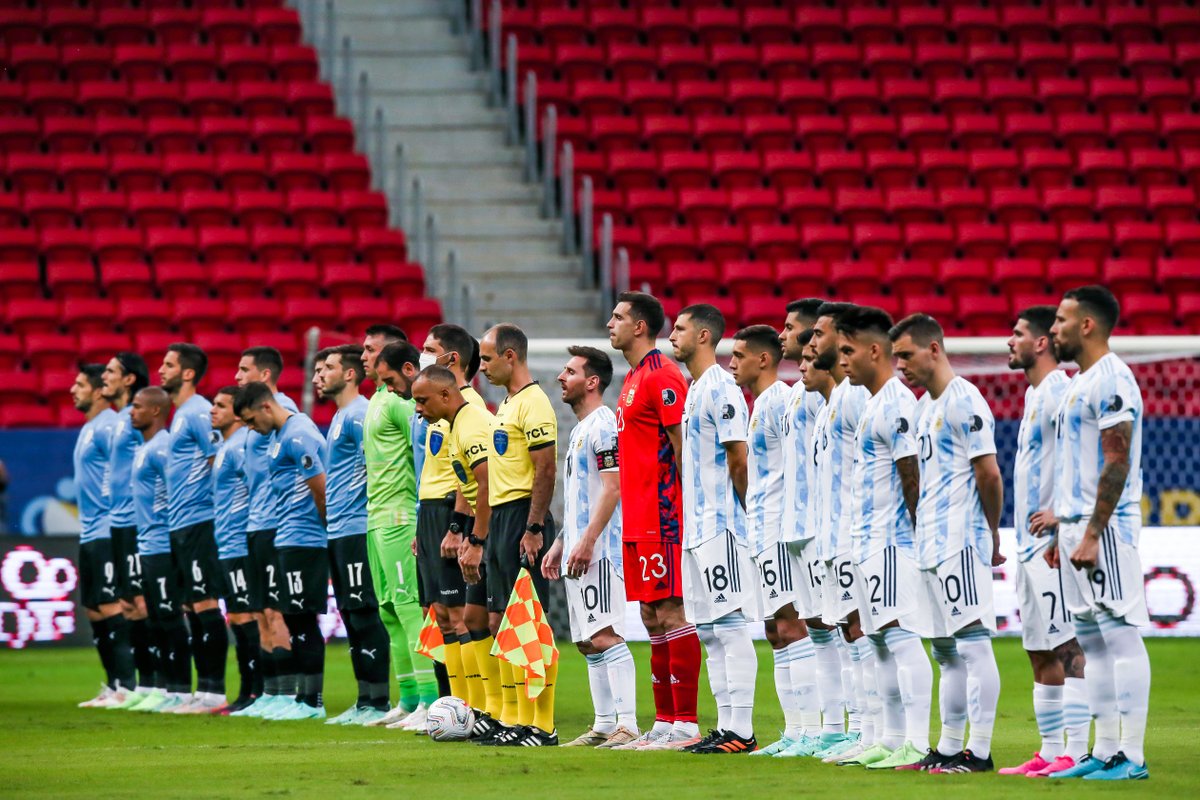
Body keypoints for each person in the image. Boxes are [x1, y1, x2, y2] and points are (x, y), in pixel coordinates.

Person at [891, 314, 1005, 774]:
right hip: (930, 546)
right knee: (945, 652)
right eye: (896, 356)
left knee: (973, 646)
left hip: (960, 541)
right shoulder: (924, 408)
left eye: (907, 354)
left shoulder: (965, 400)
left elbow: (989, 473)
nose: (901, 365)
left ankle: (978, 752)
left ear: (934, 349)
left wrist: (991, 532)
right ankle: (949, 747)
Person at [1046, 286, 1150, 781]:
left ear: (1087, 325)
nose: (1053, 329)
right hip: (1074, 530)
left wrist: (1091, 533)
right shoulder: (1076, 383)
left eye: (1062, 320)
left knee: (1121, 637)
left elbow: (1117, 460)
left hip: (1103, 531)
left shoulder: (1113, 380)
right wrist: (1062, 532)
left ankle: (1131, 756)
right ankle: (1105, 749)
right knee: (1090, 640)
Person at [835, 306, 934, 770]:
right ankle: (890, 738)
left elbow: (910, 472)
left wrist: (918, 538)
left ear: (875, 350)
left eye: (848, 351)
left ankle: (915, 740)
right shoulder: (873, 402)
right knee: (876, 641)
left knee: (900, 638)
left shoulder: (896, 401)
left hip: (894, 542)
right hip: (866, 542)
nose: (843, 360)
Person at [605, 291, 701, 750]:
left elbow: (682, 445)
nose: (611, 323)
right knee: (648, 615)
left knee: (670, 611)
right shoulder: (632, 377)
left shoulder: (663, 374)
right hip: (639, 517)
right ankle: (664, 721)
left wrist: (690, 510)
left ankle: (686, 723)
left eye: (619, 317)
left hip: (665, 515)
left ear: (640, 326)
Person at [999, 307, 1090, 777]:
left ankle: (1076, 750)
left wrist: (1062, 519)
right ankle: (1050, 749)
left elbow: (1081, 455)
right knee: (1038, 649)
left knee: (1068, 646)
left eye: (1016, 335)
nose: (1007, 343)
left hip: (1051, 542)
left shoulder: (1060, 392)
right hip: (1026, 544)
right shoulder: (1037, 393)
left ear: (1040, 343)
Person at [668, 304, 756, 754]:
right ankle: (725, 727)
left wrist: (747, 518)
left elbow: (738, 457)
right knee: (707, 630)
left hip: (722, 526)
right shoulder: (694, 389)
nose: (672, 336)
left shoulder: (722, 387)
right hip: (695, 529)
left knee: (730, 624)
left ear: (704, 336)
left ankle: (742, 729)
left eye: (680, 329)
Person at [545, 346, 639, 749]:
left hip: (600, 552)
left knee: (604, 634)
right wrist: (562, 541)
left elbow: (613, 488)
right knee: (585, 640)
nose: (561, 378)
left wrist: (587, 541)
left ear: (593, 381)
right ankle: (603, 724)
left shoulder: (604, 425)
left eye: (570, 371)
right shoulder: (582, 428)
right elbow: (583, 497)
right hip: (580, 547)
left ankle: (628, 724)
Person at [730, 324, 816, 757]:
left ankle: (810, 731)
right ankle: (793, 731)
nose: (732, 363)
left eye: (739, 355)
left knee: (791, 624)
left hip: (781, 531)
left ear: (763, 359)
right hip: (759, 531)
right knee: (773, 631)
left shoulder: (782, 400)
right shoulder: (761, 404)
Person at [476, 322, 560, 746]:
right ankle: (516, 719)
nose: (483, 366)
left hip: (523, 519)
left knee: (529, 622)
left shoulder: (534, 403)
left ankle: (543, 725)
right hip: (502, 519)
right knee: (503, 622)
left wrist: (534, 527)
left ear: (511, 356)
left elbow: (545, 470)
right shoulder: (507, 404)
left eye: (488, 358)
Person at [410, 365, 505, 738]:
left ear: (446, 395)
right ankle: (473, 711)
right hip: (471, 523)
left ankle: (495, 710)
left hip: (496, 525)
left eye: (422, 400)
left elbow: (485, 484)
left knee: (485, 620)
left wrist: (475, 538)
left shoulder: (471, 422)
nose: (417, 408)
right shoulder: (454, 424)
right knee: (462, 617)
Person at [235, 381, 329, 720]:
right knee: (293, 617)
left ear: (265, 407)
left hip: (306, 539)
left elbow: (321, 489)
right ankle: (301, 699)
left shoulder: (297, 434)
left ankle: (312, 702)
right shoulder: (277, 436)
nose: (249, 428)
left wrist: (324, 528)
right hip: (288, 537)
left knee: (302, 618)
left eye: (249, 420)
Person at [808, 302, 876, 764]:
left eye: (818, 334)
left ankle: (873, 732)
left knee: (862, 629)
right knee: (847, 629)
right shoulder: (834, 401)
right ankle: (860, 730)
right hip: (833, 537)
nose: (812, 343)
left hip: (858, 534)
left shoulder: (858, 396)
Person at [360, 328, 435, 730]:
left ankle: (429, 701)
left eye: (372, 349)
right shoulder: (377, 399)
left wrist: (421, 518)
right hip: (376, 518)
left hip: (401, 517)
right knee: (389, 612)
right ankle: (407, 700)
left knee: (409, 610)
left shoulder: (401, 404)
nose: (364, 356)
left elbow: (422, 452)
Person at [775, 301, 840, 759]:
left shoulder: (828, 392)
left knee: (838, 624)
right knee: (815, 625)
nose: (786, 334)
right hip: (796, 528)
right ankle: (816, 729)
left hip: (823, 527)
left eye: (792, 328)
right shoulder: (798, 390)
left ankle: (844, 727)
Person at [314, 345, 391, 725]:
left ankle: (378, 702)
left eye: (327, 367)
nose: (318, 376)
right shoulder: (342, 416)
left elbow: (380, 460)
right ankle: (365, 700)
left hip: (359, 526)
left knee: (364, 613)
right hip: (340, 529)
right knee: (350, 612)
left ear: (348, 375)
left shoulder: (360, 414)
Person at [231, 346, 301, 719]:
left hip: (277, 524)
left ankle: (289, 692)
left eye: (244, 370)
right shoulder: (250, 419)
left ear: (264, 376)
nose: (238, 376)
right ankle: (271, 692)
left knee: (277, 612)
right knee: (260, 612)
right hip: (254, 524)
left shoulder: (283, 410)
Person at [159, 343, 228, 713]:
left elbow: (219, 459)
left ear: (188, 373)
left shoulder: (200, 411)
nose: (160, 370)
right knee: (190, 604)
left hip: (201, 520)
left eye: (168, 364)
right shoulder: (182, 414)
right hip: (181, 522)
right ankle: (200, 691)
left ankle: (214, 691)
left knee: (204, 603)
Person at [73, 364, 136, 708]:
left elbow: (124, 471)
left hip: (107, 529)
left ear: (98, 391)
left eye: (80, 384)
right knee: (95, 609)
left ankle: (127, 686)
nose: (72, 389)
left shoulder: (110, 425)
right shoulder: (90, 427)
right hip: (90, 531)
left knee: (113, 606)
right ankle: (113, 685)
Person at [127, 386, 191, 712]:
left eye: (137, 406)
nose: (131, 411)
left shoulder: (163, 446)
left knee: (169, 617)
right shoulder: (146, 447)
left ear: (155, 411)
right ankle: (165, 686)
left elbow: (177, 492)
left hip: (164, 545)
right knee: (154, 618)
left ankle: (179, 688)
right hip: (148, 544)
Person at [100, 352, 156, 708]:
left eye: (110, 371)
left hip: (137, 521)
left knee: (142, 602)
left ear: (129, 379)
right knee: (126, 602)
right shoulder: (120, 420)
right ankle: (138, 686)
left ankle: (156, 685)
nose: (104, 377)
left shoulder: (136, 423)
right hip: (118, 523)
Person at [209, 386, 260, 714]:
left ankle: (256, 691)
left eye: (221, 405)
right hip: (227, 542)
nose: (213, 410)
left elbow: (256, 486)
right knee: (237, 616)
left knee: (247, 615)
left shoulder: (241, 444)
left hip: (241, 542)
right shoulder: (226, 445)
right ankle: (246, 691)